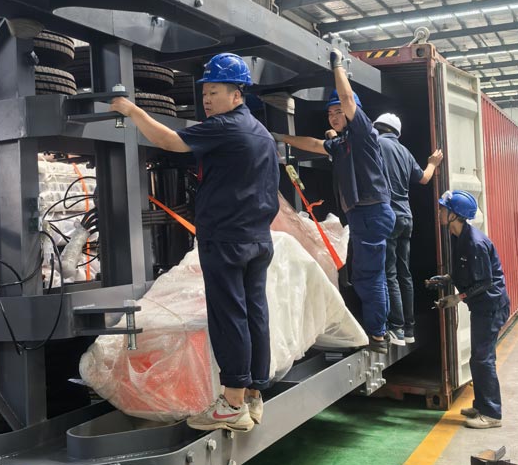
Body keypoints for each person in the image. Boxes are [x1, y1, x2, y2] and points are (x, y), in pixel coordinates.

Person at [110, 53, 280, 432]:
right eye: (205, 91)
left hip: (226, 238)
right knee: (254, 313)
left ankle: (231, 402)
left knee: (228, 315)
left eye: (214, 91)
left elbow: (169, 141)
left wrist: (131, 110)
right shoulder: (261, 133)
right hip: (257, 238)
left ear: (237, 94)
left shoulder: (224, 126)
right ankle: (252, 395)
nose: (206, 99)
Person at [274, 50, 395, 354]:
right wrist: (280, 137)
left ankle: (378, 334)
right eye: (329, 113)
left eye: (337, 111)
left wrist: (338, 67)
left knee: (370, 276)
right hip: (363, 214)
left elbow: (349, 100)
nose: (333, 116)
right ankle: (380, 327)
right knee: (366, 275)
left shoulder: (364, 133)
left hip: (371, 212)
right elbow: (314, 144)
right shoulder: (341, 143)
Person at [427, 190, 510, 429]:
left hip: (491, 306)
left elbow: (484, 282)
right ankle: (482, 405)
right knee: (477, 359)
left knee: (483, 359)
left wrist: (456, 298)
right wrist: (446, 279)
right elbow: (466, 271)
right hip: (482, 307)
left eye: (444, 209)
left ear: (455, 215)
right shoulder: (458, 236)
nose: (440, 212)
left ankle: (492, 414)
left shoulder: (475, 243)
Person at [372, 113, 443, 346]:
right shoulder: (404, 151)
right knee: (405, 274)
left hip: (388, 216)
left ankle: (397, 328)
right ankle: (410, 329)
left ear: (378, 127)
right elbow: (424, 179)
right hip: (406, 217)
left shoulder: (377, 142)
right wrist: (432, 163)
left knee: (389, 273)